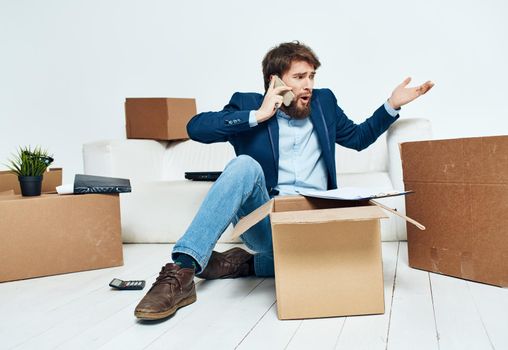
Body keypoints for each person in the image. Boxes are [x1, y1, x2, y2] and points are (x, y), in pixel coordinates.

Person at [134, 41, 434, 320]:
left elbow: (358, 138)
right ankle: (182, 270)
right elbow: (196, 128)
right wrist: (259, 114)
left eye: (312, 76)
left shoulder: (324, 103)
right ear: (275, 82)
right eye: (300, 77)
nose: (308, 86)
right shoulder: (247, 103)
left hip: (316, 219)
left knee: (346, 262)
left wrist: (392, 105)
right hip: (267, 219)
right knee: (243, 165)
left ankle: (244, 263)